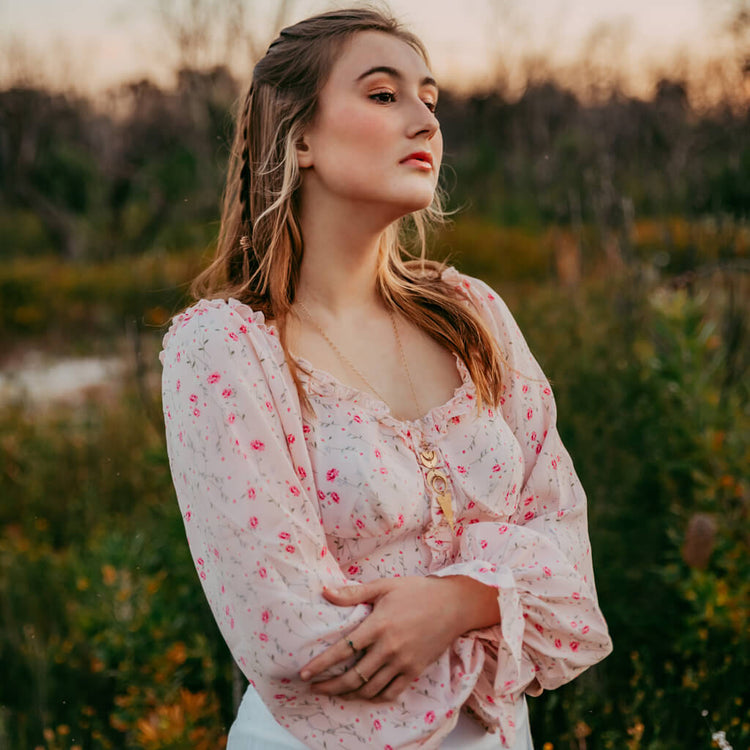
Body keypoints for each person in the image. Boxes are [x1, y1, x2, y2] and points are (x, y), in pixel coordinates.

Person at [159, 6, 613, 749]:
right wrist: (504, 593)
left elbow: (571, 571)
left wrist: (457, 603)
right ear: (298, 136)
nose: (425, 121)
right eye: (382, 94)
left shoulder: (472, 318)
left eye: (429, 100)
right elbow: (291, 631)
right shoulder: (226, 350)